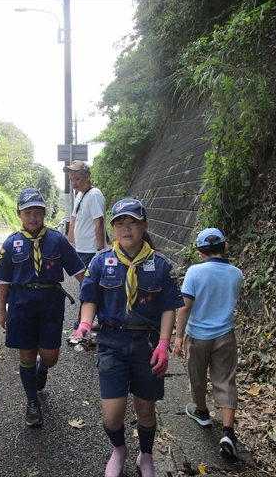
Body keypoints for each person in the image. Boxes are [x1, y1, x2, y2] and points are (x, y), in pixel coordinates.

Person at [72, 199, 184, 477]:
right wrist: (85, 325)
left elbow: (170, 305)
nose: (126, 227)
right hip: (112, 342)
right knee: (112, 415)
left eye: (132, 221)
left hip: (147, 344)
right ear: (112, 229)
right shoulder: (102, 261)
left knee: (146, 411)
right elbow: (89, 298)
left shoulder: (160, 265)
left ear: (145, 226)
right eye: (119, 222)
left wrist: (163, 343)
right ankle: (119, 449)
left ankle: (145, 456)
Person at [0, 188, 85, 427]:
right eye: (28, 212)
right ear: (19, 214)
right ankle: (32, 402)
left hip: (51, 302)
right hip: (21, 303)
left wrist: (96, 296)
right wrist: (2, 310)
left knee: (50, 356)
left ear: (44, 213)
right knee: (26, 354)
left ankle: (42, 370)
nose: (33, 217)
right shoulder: (12, 243)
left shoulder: (57, 239)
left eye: (37, 212)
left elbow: (78, 270)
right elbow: (3, 281)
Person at [172, 228, 243, 458]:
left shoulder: (195, 272)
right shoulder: (236, 273)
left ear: (200, 252)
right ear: (226, 246)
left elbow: (185, 307)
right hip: (225, 335)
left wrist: (179, 336)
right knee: (225, 379)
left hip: (198, 335)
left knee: (197, 375)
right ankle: (228, 431)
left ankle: (202, 412)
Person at [63, 160, 107, 334]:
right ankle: (91, 323)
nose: (74, 183)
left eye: (77, 179)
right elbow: (73, 221)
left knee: (89, 287)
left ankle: (81, 326)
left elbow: (99, 222)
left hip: (91, 251)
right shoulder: (80, 196)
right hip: (80, 251)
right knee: (88, 287)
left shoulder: (94, 194)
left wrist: (99, 251)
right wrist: (68, 245)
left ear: (87, 176)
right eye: (71, 180)